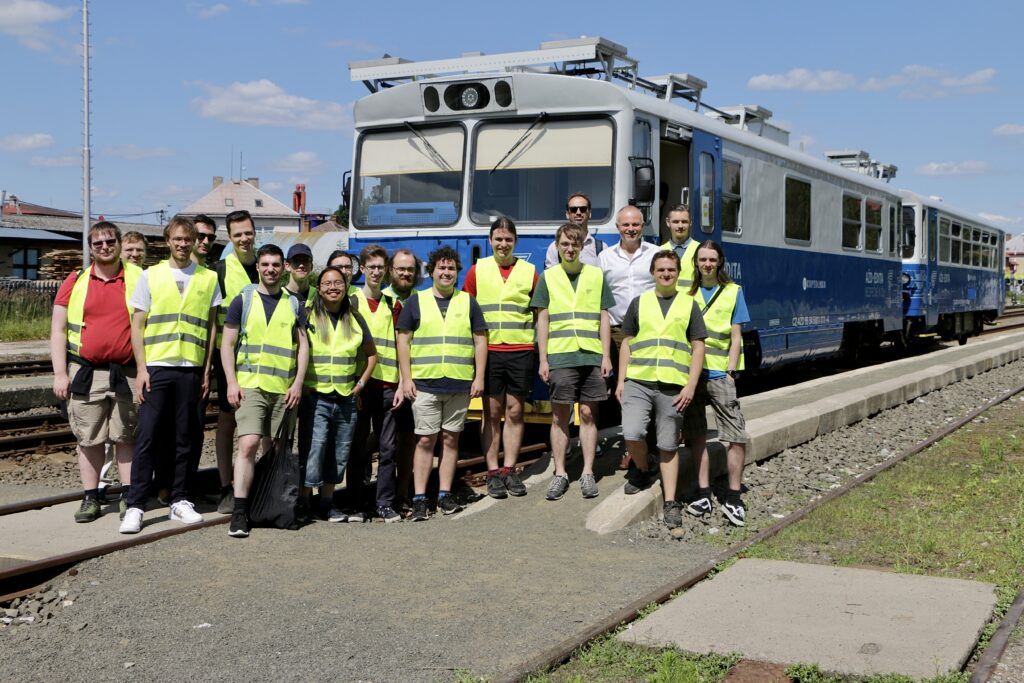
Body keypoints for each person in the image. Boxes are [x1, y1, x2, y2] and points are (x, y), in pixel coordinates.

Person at [119, 216, 221, 534]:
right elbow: (137, 325)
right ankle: (136, 505)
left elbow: (211, 327)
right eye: (177, 239)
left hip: (191, 369)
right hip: (157, 367)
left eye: (188, 239)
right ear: (167, 241)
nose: (183, 244)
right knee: (147, 436)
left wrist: (206, 370)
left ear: (194, 242)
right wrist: (141, 369)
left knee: (185, 438)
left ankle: (180, 499)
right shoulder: (150, 275)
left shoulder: (208, 278)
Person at [51, 221, 142, 523]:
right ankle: (91, 498)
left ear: (119, 243)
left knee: (126, 436)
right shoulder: (75, 280)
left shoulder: (138, 277)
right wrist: (60, 373)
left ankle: (129, 496)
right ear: (90, 248)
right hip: (86, 372)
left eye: (110, 241)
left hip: (128, 372)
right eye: (98, 243)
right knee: (89, 438)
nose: (104, 247)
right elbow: (58, 329)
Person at [220, 244, 309, 538]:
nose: (270, 269)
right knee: (248, 445)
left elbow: (303, 346)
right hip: (251, 386)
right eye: (266, 264)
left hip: (283, 389)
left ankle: (270, 506)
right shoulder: (243, 300)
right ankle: (240, 512)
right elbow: (227, 344)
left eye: (275, 264)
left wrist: (297, 383)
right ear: (257, 266)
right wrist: (232, 382)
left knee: (277, 451)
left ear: (284, 268)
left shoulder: (293, 303)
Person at [615, 250, 706, 529]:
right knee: (632, 433)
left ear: (678, 273)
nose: (666, 274)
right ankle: (644, 469)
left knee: (668, 445)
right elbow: (627, 343)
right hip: (638, 381)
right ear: (653, 273)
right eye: (661, 270)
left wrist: (690, 386)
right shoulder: (639, 303)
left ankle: (671, 502)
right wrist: (621, 381)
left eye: (671, 270)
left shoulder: (689, 305)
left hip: (672, 386)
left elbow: (698, 347)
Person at [396, 245, 488, 521]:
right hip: (425, 383)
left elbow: (480, 341)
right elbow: (403, 341)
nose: (446, 272)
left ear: (457, 272)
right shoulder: (416, 302)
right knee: (425, 440)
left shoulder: (468, 302)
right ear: (432, 271)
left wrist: (479, 377)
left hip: (459, 384)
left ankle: (445, 494)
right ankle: (420, 498)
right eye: (441, 267)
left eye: (451, 268)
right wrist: (406, 379)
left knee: (450, 439)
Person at [532, 223, 614, 501]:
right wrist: (543, 359)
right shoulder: (548, 277)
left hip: (591, 354)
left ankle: (588, 472)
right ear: (557, 247)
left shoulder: (595, 275)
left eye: (574, 244)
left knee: (589, 415)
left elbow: (604, 316)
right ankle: (560, 473)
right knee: (559, 417)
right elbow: (543, 318)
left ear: (581, 247)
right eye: (564, 244)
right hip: (561, 355)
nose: (569, 249)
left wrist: (606, 355)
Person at [462, 217, 538, 499]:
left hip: (520, 351)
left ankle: (510, 469)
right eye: (498, 239)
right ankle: (493, 471)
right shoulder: (477, 271)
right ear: (490, 241)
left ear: (515, 242)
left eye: (508, 239)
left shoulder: (530, 272)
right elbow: (466, 310)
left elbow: (539, 312)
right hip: (490, 352)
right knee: (492, 413)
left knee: (515, 412)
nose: (503, 244)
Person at [298, 266, 376, 523]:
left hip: (345, 398)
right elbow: (296, 349)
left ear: (346, 287)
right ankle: (304, 503)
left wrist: (361, 384)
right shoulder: (307, 315)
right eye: (327, 283)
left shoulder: (355, 318)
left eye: (338, 283)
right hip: (316, 396)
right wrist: (300, 383)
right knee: (314, 449)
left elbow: (372, 355)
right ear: (319, 289)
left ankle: (327, 504)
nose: (333, 287)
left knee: (338, 452)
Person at [683, 240, 751, 527]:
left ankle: (734, 497)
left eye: (712, 259)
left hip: (720, 374)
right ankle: (703, 493)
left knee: (736, 436)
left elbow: (736, 336)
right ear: (696, 263)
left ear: (720, 262)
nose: (707, 264)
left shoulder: (734, 291)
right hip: (692, 375)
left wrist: (730, 371)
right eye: (703, 260)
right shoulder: (686, 294)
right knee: (696, 435)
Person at [349, 245, 404, 522]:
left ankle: (384, 503)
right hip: (361, 386)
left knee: (388, 450)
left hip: (388, 386)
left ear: (387, 271)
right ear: (362, 269)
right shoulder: (351, 302)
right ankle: (357, 504)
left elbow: (402, 346)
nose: (376, 272)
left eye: (380, 267)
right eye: (371, 267)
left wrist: (402, 383)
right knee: (358, 449)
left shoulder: (393, 305)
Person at [211, 210, 259, 514]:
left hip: (262, 358)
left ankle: (257, 485)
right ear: (229, 237)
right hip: (228, 357)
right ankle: (226, 487)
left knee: (260, 424)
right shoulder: (220, 271)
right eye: (237, 234)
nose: (244, 238)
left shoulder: (267, 265)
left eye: (248, 232)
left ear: (255, 233)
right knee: (228, 420)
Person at [382, 247, 422, 513]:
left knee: (408, 439)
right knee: (382, 440)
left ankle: (402, 493)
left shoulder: (423, 300)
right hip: (383, 379)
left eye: (410, 269)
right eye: (401, 269)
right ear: (391, 271)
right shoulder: (380, 298)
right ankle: (372, 492)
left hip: (414, 380)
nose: (406, 273)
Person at [543, 192, 605, 268]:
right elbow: (550, 274)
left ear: (589, 213)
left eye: (583, 209)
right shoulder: (554, 248)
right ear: (567, 214)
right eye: (573, 209)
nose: (578, 212)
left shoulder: (601, 248)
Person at [662, 206, 699, 289]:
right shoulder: (659, 251)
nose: (680, 226)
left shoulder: (700, 250)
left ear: (690, 222)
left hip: (693, 297)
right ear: (668, 222)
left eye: (684, 222)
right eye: (676, 222)